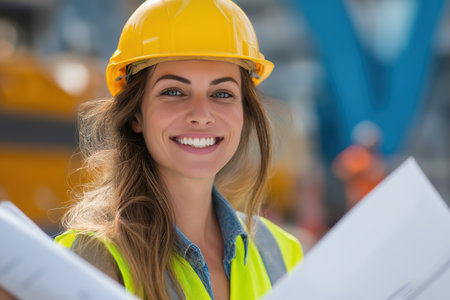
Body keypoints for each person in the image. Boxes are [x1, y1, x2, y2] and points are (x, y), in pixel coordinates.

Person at [1, 1, 303, 299]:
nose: (201, 113)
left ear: (244, 113)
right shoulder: (92, 258)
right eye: (173, 92)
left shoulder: (282, 253)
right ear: (136, 115)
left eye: (222, 93)